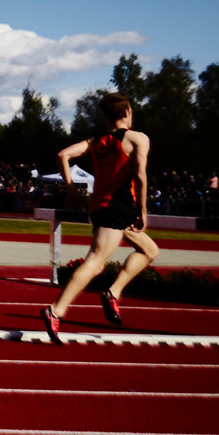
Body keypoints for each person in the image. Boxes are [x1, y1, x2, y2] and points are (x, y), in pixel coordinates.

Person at [37, 93, 158, 343]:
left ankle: (113, 292)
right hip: (118, 207)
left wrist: (71, 189)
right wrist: (143, 211)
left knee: (149, 250)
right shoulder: (138, 138)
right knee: (95, 262)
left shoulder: (96, 141)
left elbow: (62, 155)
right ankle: (55, 310)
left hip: (101, 207)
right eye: (132, 111)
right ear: (126, 112)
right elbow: (141, 177)